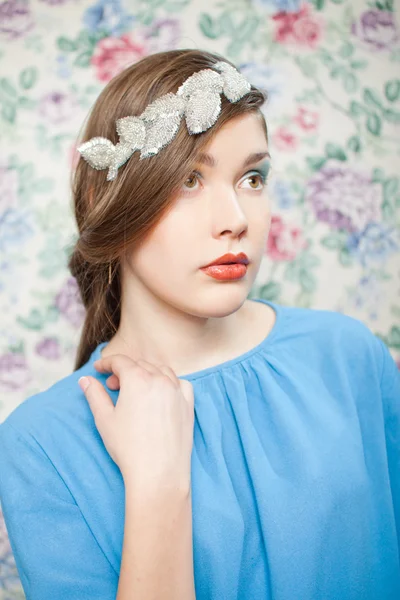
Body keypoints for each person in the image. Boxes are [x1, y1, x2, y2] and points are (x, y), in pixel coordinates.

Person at [0, 48, 399, 600]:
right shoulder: (40, 444)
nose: (236, 220)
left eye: (252, 178)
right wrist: (159, 483)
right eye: (189, 180)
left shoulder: (348, 355)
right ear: (103, 200)